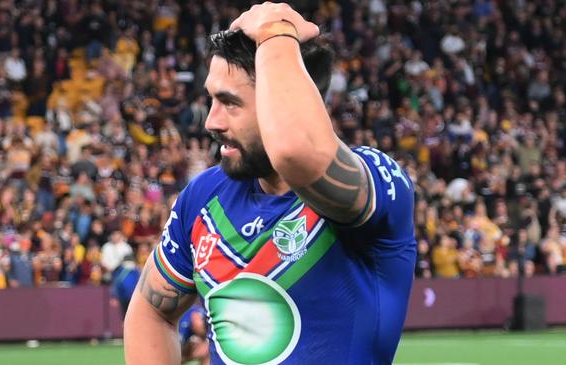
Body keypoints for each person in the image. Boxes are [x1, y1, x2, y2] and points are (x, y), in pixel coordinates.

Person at [124, 3, 416, 365]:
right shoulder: (202, 198)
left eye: (230, 103)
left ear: (285, 103)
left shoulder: (374, 178)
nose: (211, 122)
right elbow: (151, 312)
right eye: (211, 99)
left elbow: (295, 152)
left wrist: (275, 30)